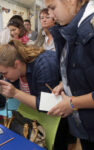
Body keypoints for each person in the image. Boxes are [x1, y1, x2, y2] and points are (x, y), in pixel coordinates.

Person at [44, 0, 94, 149]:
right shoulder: (71, 30)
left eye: (53, 8)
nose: (51, 16)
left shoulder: (89, 30)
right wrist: (65, 84)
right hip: (87, 127)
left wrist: (72, 103)